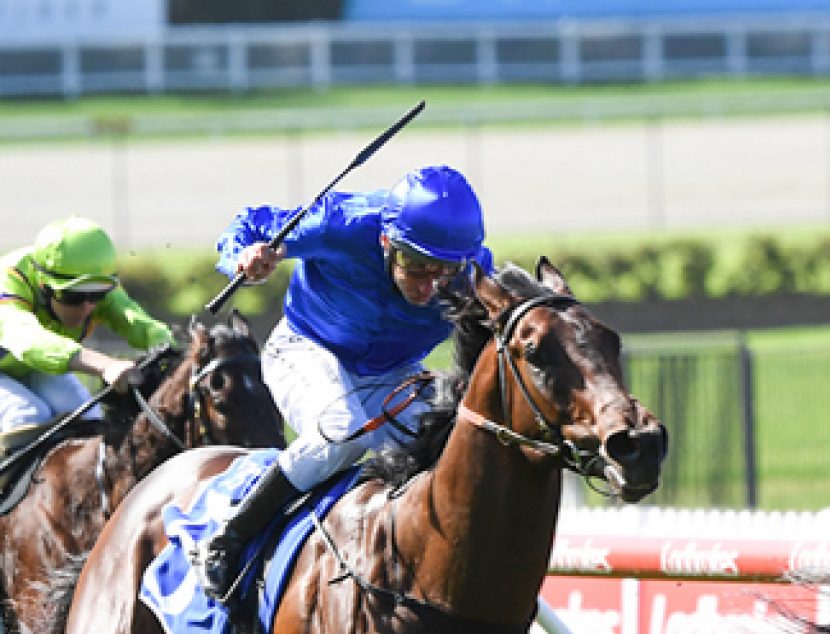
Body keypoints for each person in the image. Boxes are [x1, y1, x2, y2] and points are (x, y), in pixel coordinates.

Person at [203, 163, 492, 601]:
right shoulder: (342, 222)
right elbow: (250, 224)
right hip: (306, 349)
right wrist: (244, 255)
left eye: (445, 271)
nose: (430, 287)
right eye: (415, 266)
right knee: (342, 433)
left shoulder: (475, 276)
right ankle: (229, 537)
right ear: (385, 241)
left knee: (455, 448)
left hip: (394, 375)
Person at [0, 217, 174, 452]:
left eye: (97, 296)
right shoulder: (10, 279)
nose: (87, 306)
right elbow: (28, 340)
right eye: (73, 297)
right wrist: (105, 365)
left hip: (25, 367)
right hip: (22, 359)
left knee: (87, 416)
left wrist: (178, 349)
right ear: (43, 286)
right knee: (26, 414)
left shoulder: (98, 283)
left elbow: (139, 322)